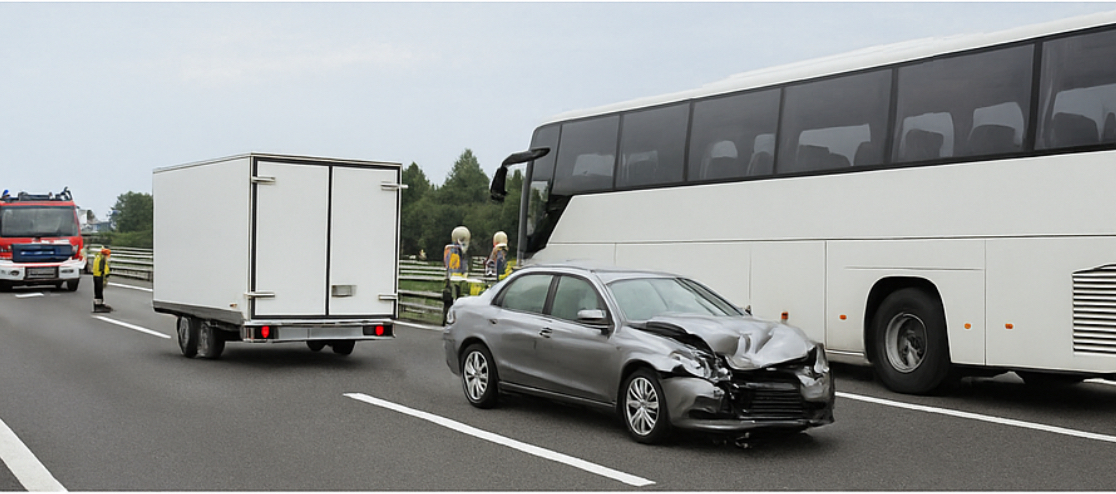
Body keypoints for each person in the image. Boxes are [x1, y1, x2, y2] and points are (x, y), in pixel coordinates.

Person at [442, 226, 470, 325]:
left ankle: (447, 319)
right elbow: (459, 266)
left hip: (451, 278)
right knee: (456, 299)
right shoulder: (458, 251)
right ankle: (453, 320)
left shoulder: (449, 249)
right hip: (457, 279)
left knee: (450, 300)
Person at [92, 248, 112, 313]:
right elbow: (102, 268)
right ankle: (98, 307)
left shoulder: (97, 257)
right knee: (99, 292)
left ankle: (99, 305)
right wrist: (106, 276)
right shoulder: (102, 259)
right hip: (100, 276)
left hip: (96, 276)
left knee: (97, 292)